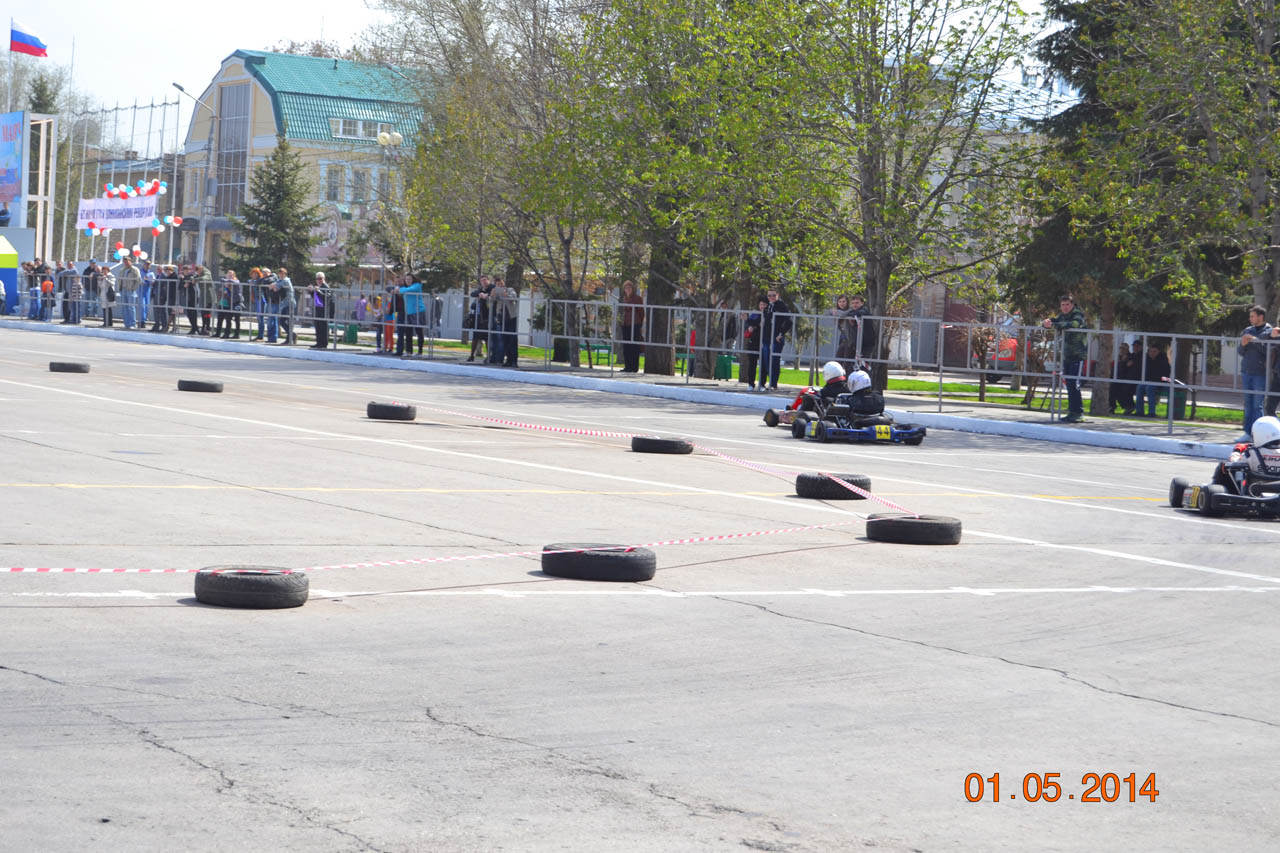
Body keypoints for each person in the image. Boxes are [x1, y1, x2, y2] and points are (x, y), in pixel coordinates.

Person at [1042, 294, 1089, 423]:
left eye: (1067, 304)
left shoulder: (1078, 314)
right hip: (1066, 355)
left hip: (1078, 355)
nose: (1065, 307)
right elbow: (1052, 321)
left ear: (1072, 305)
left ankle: (1079, 412)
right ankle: (1072, 412)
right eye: (1063, 305)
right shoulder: (1062, 316)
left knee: (1074, 384)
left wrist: (1053, 324)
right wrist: (1046, 323)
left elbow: (1074, 324)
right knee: (1068, 384)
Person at [1239, 305, 1273, 440]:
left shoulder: (1269, 331)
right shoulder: (1247, 330)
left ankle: (1258, 434)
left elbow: (1268, 351)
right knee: (1248, 403)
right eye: (1250, 316)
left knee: (1257, 405)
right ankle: (1248, 433)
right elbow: (1240, 352)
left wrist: (1254, 340)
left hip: (1260, 373)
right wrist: (1243, 344)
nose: (1250, 318)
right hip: (1246, 371)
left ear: (1261, 317)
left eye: (1253, 316)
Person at [758, 288, 792, 391]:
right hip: (766, 337)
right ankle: (763, 383)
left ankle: (773, 384)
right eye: (769, 295)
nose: (771, 297)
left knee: (774, 360)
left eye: (773, 295)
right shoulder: (767, 306)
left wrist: (781, 334)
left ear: (778, 295)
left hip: (777, 337)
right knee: (765, 359)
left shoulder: (781, 306)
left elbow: (789, 321)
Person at [1135, 342, 1171, 418]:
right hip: (1148, 381)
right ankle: (1139, 411)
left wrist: (1154, 379)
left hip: (1160, 382)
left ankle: (1151, 412)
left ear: (1158, 352)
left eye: (1154, 351)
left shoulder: (1163, 360)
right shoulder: (1146, 359)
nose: (1152, 353)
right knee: (1140, 387)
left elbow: (1164, 374)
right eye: (1150, 351)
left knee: (1149, 388)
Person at [490, 275, 519, 367]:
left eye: (501, 283)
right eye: (498, 284)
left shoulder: (510, 290)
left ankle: (514, 361)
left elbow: (513, 297)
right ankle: (508, 360)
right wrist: (492, 295)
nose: (500, 285)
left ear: (504, 283)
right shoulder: (496, 292)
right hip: (501, 318)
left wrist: (506, 295)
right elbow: (491, 301)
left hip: (511, 317)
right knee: (505, 340)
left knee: (513, 339)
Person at [617, 280, 645, 373]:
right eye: (626, 288)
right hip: (625, 324)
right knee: (626, 346)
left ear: (633, 289)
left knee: (634, 346)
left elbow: (641, 312)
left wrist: (640, 324)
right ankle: (627, 367)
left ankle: (634, 367)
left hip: (635, 324)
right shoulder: (624, 298)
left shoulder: (637, 298)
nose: (628, 289)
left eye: (629, 288)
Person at [397, 273, 425, 355]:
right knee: (408, 332)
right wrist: (398, 289)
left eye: (409, 279)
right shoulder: (405, 287)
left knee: (419, 332)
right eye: (406, 279)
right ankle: (409, 351)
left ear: (413, 280)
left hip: (418, 311)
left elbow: (407, 290)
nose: (408, 281)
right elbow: (395, 289)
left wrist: (399, 290)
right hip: (409, 312)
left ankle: (420, 351)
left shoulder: (417, 285)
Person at [1109, 341, 1139, 415]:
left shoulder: (1130, 357)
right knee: (1113, 388)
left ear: (1127, 349)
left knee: (1118, 388)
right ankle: (1112, 407)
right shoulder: (1119, 358)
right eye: (1120, 348)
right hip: (1118, 379)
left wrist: (1123, 362)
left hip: (1127, 379)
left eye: (1123, 348)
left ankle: (1128, 406)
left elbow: (1126, 369)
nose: (1122, 350)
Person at [740, 298, 764, 388]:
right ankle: (751, 384)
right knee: (752, 364)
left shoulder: (768, 315)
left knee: (764, 365)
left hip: (764, 342)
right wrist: (749, 325)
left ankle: (762, 384)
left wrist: (753, 325)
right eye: (761, 305)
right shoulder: (755, 314)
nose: (762, 307)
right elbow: (748, 324)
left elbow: (760, 324)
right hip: (753, 341)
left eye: (764, 305)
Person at [466, 275, 491, 361]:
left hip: (488, 317)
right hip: (479, 317)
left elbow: (493, 295)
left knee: (487, 338)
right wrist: (480, 294)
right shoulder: (481, 289)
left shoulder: (492, 288)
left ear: (488, 280)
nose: (484, 282)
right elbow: (472, 294)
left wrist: (487, 295)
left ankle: (488, 357)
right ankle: (471, 355)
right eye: (482, 280)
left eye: (485, 280)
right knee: (475, 337)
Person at [847, 294, 877, 362]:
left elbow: (859, 313)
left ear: (862, 303)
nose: (855, 305)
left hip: (867, 342)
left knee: (864, 362)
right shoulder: (853, 311)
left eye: (857, 302)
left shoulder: (864, 310)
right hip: (858, 341)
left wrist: (850, 315)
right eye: (853, 303)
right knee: (855, 361)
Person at [214, 271, 243, 339]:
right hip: (226, 303)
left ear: (234, 276)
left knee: (236, 319)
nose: (230, 276)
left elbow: (234, 282)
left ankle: (236, 334)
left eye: (231, 275)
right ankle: (219, 333)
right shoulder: (225, 283)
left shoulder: (236, 281)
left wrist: (227, 281)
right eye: (228, 275)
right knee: (221, 319)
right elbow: (221, 281)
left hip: (236, 302)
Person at [308, 272, 333, 348]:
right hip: (318, 309)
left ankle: (324, 343)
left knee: (323, 327)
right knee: (317, 326)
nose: (319, 280)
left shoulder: (325, 286)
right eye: (317, 279)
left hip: (324, 310)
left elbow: (327, 297)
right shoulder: (318, 286)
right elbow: (315, 297)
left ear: (323, 279)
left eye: (320, 278)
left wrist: (318, 291)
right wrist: (311, 291)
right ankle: (318, 342)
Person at [116, 256, 142, 328]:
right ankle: (126, 323)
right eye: (124, 262)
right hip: (123, 289)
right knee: (124, 307)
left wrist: (133, 288)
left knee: (131, 307)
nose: (126, 263)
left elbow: (138, 280)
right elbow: (119, 279)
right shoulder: (122, 270)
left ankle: (132, 323)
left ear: (130, 261)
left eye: (127, 262)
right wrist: (119, 288)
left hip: (130, 290)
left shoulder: (135, 269)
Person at [274, 267, 295, 344]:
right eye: (280, 274)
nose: (281, 275)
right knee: (282, 321)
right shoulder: (279, 280)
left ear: (285, 274)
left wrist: (273, 286)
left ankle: (290, 338)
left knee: (285, 321)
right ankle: (291, 336)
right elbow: (275, 285)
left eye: (282, 274)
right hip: (285, 304)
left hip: (289, 303)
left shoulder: (286, 280)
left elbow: (276, 287)